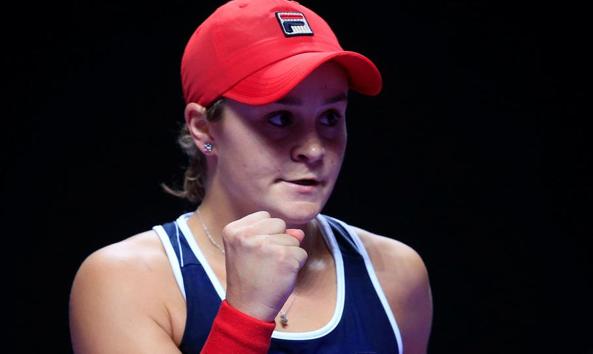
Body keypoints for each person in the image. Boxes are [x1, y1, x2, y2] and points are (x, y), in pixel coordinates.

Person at [68, 0, 433, 353]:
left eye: (330, 117)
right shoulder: (126, 281)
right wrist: (245, 317)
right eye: (280, 118)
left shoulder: (396, 274)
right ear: (203, 128)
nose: (315, 149)